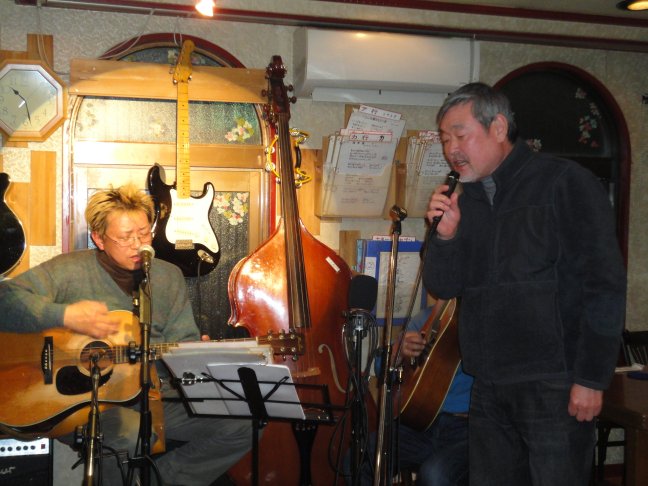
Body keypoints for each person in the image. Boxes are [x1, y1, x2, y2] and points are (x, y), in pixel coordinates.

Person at [423, 82, 627, 486]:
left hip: (554, 383)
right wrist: (445, 237)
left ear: (498, 127)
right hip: (488, 384)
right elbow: (444, 286)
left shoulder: (565, 182)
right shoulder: (467, 199)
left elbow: (604, 286)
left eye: (460, 135)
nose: (451, 150)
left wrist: (591, 378)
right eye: (445, 139)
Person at [0, 184, 252, 485]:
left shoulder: (168, 276)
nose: (137, 245)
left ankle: (159, 480)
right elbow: (5, 300)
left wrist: (193, 357)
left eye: (144, 234)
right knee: (129, 434)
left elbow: (182, 339)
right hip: (81, 402)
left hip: (155, 394)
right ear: (99, 238)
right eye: (125, 237)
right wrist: (65, 315)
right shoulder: (68, 271)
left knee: (246, 422)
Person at [350, 302, 472, 486]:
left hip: (465, 429)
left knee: (434, 475)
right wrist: (397, 354)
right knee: (359, 457)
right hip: (420, 427)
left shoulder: (478, 319)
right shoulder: (424, 318)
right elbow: (381, 369)